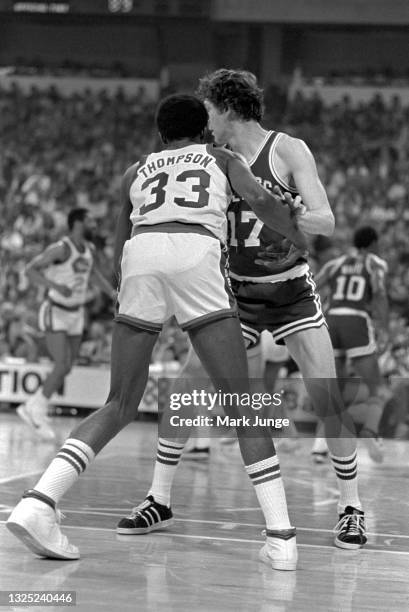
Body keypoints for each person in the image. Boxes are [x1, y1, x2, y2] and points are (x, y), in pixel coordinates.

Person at [7, 94, 307, 570]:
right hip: (195, 253)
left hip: (142, 254)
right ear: (203, 131)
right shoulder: (220, 157)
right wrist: (295, 223)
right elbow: (262, 204)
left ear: (161, 134)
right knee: (241, 402)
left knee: (119, 401)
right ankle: (281, 539)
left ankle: (39, 503)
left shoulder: (136, 170)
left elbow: (120, 232)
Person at [126, 69, 367, 551]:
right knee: (183, 393)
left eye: (209, 111)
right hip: (237, 293)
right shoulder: (213, 160)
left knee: (328, 399)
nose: (205, 122)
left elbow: (326, 220)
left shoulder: (287, 150)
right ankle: (159, 497)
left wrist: (288, 208)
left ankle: (351, 507)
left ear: (227, 108)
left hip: (290, 290)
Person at [16, 208, 115, 442]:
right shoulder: (61, 248)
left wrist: (111, 292)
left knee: (68, 366)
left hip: (76, 313)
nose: (94, 224)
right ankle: (36, 411)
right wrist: (55, 285)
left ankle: (31, 405)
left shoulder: (89, 249)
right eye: (90, 220)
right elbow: (29, 270)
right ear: (78, 223)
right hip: (56, 310)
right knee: (61, 364)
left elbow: (92, 275)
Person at [313, 226, 389, 463]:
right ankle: (371, 431)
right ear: (373, 244)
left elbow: (313, 283)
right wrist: (384, 328)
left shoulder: (336, 263)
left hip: (332, 318)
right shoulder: (375, 262)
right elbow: (379, 293)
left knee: (336, 389)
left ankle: (319, 446)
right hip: (356, 320)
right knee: (377, 388)